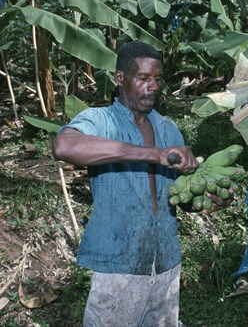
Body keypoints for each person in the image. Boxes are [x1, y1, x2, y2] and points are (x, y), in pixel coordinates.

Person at [52, 41, 230, 326]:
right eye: (143, 78)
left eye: (158, 79)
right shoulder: (100, 120)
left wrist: (209, 201)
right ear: (120, 78)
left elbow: (176, 197)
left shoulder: (168, 129)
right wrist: (154, 155)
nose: (153, 86)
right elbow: (64, 146)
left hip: (166, 266)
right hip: (118, 267)